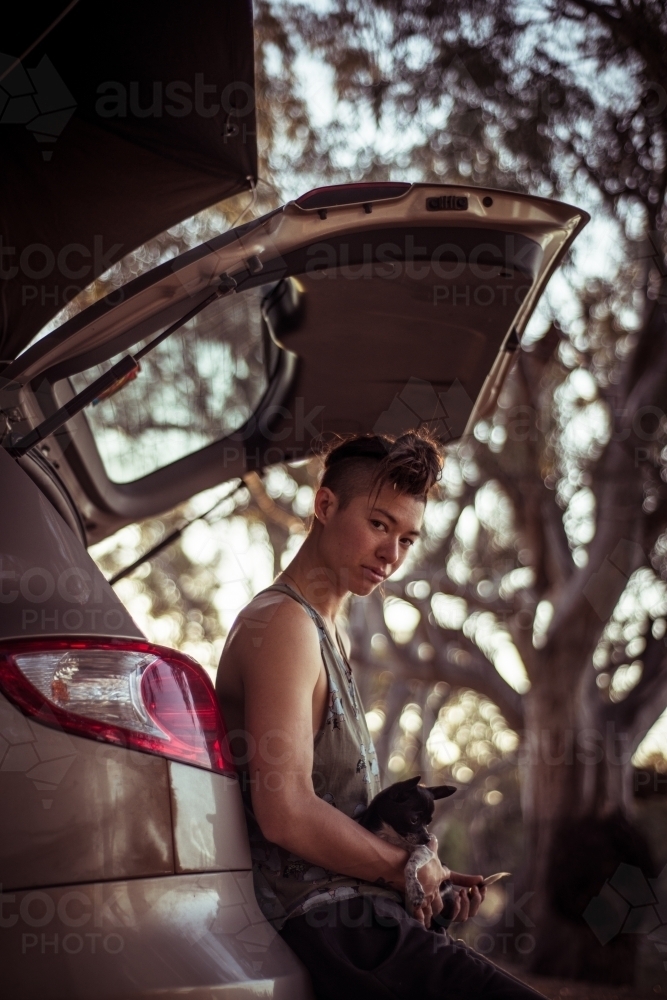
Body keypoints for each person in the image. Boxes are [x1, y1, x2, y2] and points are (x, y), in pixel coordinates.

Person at [216, 432, 545, 999]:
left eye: (407, 538)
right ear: (324, 506)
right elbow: (286, 812)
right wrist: (404, 869)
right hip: (325, 924)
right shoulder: (284, 626)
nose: (392, 554)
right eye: (378, 525)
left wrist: (425, 881)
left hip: (360, 914)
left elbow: (337, 811)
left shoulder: (328, 633)